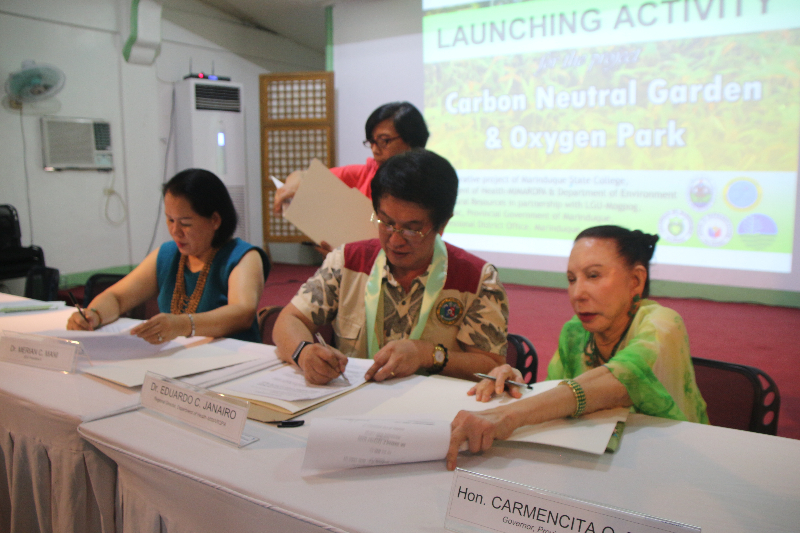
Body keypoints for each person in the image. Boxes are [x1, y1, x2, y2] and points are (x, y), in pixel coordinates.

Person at [446, 225, 708, 470]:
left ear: (636, 281)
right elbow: (555, 398)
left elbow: (618, 382)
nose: (577, 293)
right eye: (572, 279)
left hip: (674, 465)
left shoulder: (663, 324)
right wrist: (521, 388)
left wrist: (508, 415)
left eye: (593, 276)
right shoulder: (574, 333)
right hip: (600, 465)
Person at [273, 149, 508, 385]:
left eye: (411, 229)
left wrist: (426, 354)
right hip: (353, 404)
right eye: (386, 222)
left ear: (443, 223)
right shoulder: (347, 262)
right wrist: (304, 353)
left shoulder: (477, 279)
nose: (395, 240)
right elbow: (289, 319)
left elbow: (491, 365)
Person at [67, 168, 268, 343]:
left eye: (185, 223)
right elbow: (117, 297)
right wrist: (94, 315)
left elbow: (242, 313)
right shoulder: (169, 255)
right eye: (170, 220)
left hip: (234, 362)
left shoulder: (242, 257)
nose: (175, 231)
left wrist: (182, 324)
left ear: (215, 220)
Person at [272, 101, 429, 213]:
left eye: (383, 141)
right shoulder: (366, 173)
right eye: (371, 141)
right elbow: (304, 176)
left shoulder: (428, 183)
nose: (374, 149)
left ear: (412, 140)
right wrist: (292, 185)